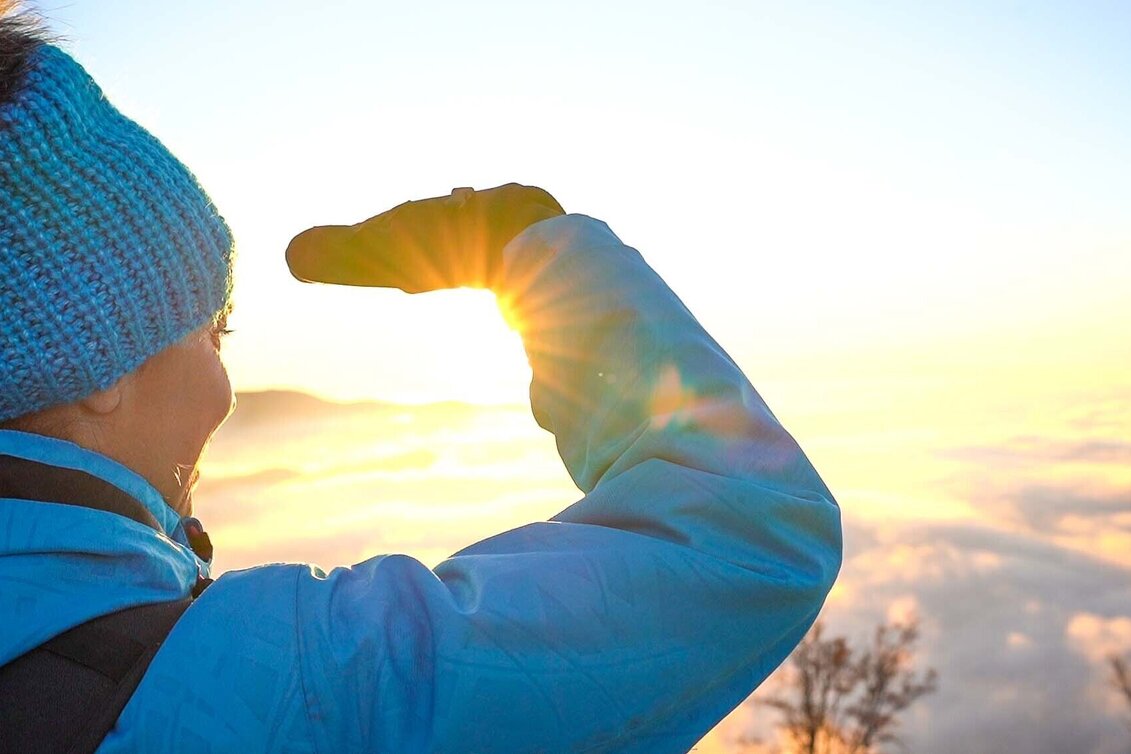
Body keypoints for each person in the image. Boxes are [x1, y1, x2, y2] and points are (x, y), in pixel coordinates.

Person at [0, 12, 842, 754]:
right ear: (99, 371)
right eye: (215, 333)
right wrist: (542, 259)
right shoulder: (268, 701)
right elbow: (753, 534)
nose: (226, 388)